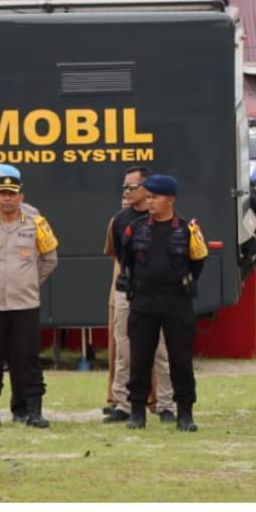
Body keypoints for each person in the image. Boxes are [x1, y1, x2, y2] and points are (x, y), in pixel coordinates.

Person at [119, 173, 207, 432]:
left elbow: (197, 262)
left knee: (181, 360)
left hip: (176, 303)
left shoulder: (187, 230)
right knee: (140, 359)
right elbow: (126, 259)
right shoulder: (135, 228)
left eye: (155, 197)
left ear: (170, 200)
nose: (150, 202)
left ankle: (185, 413)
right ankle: (137, 412)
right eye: (148, 197)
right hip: (143, 302)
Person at [0, 175, 58, 429]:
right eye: (2, 193)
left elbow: (50, 259)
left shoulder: (36, 224)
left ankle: (33, 411)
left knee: (27, 358)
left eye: (12, 193)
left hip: (25, 303)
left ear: (21, 197)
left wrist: (30, 281)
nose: (7, 198)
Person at [104, 169, 173, 423]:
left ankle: (165, 404)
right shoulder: (120, 220)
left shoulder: (166, 219)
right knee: (123, 349)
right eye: (124, 186)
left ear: (146, 189)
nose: (126, 191)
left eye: (131, 187)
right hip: (127, 290)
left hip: (156, 293)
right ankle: (122, 404)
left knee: (161, 350)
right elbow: (118, 255)